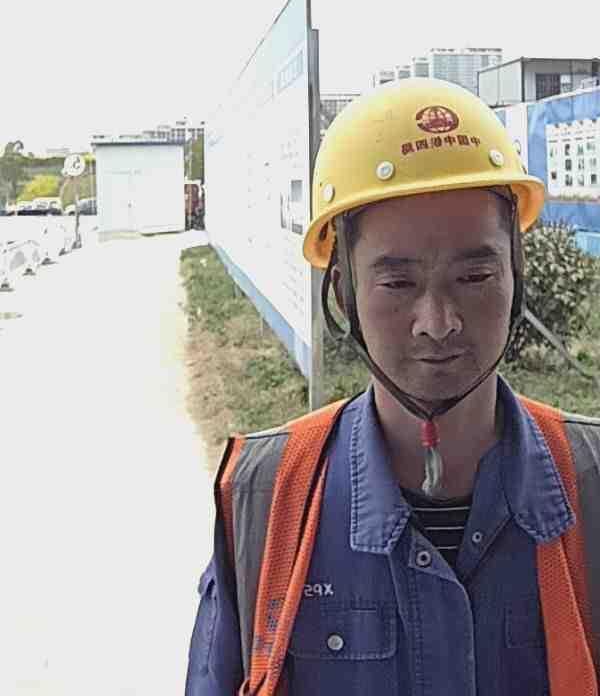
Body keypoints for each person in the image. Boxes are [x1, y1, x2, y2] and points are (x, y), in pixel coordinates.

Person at [185, 79, 600, 696]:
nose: (439, 322)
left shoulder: (591, 485)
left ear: (515, 271)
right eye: (398, 284)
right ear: (344, 291)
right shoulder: (267, 498)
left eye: (474, 275)